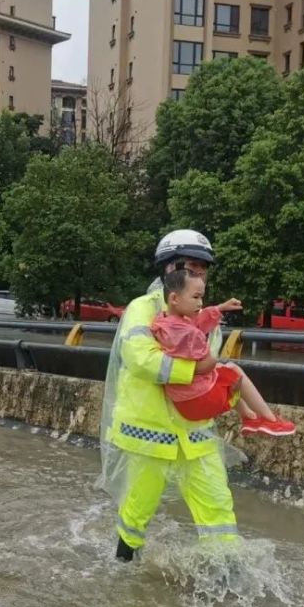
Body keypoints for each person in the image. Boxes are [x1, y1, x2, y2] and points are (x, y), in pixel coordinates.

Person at [101, 229, 241, 563]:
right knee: (138, 508)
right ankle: (123, 565)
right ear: (170, 268)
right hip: (150, 433)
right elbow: (139, 357)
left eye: (203, 269)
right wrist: (191, 372)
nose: (200, 275)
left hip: (195, 434)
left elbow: (210, 367)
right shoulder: (143, 308)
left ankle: (229, 572)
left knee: (218, 506)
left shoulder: (205, 317)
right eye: (193, 267)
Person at [153, 269, 295, 436]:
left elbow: (196, 321)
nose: (200, 303)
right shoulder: (189, 333)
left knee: (224, 371)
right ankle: (270, 420)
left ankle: (249, 416)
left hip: (181, 401)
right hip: (200, 399)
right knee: (233, 370)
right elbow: (207, 363)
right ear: (175, 298)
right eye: (196, 297)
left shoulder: (163, 322)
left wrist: (220, 308)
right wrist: (214, 359)